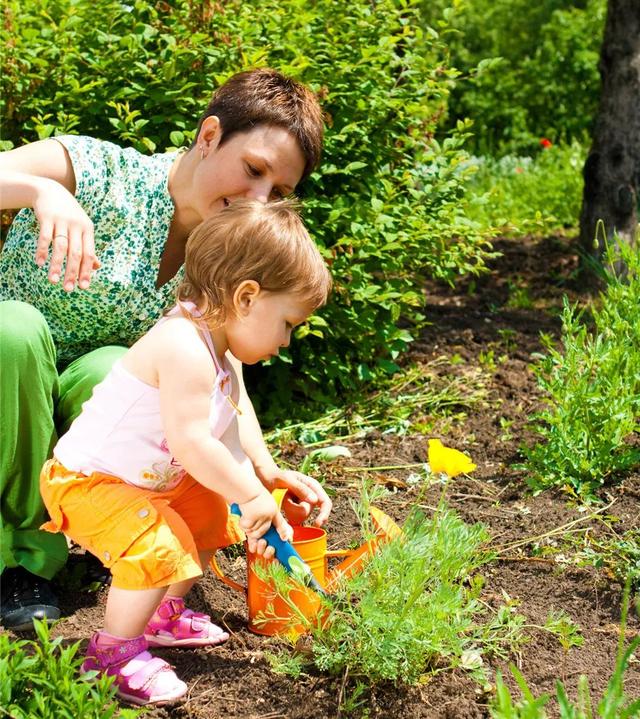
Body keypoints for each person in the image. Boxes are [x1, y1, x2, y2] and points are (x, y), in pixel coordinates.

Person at [0, 68, 327, 629]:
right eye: (253, 170)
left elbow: (225, 379)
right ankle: (19, 560)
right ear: (208, 136)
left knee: (111, 365)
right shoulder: (105, 173)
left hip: (89, 418)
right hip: (10, 380)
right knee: (17, 331)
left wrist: (263, 469)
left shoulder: (227, 248)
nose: (258, 198)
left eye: (278, 192)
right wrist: (42, 191)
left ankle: (120, 540)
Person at [39, 199, 332, 705]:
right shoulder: (183, 345)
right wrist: (251, 495)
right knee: (161, 538)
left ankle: (160, 615)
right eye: (287, 323)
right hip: (88, 482)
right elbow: (192, 441)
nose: (287, 340)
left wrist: (260, 483)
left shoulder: (220, 353)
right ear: (245, 297)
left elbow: (228, 433)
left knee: (211, 509)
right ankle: (111, 653)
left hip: (143, 481)